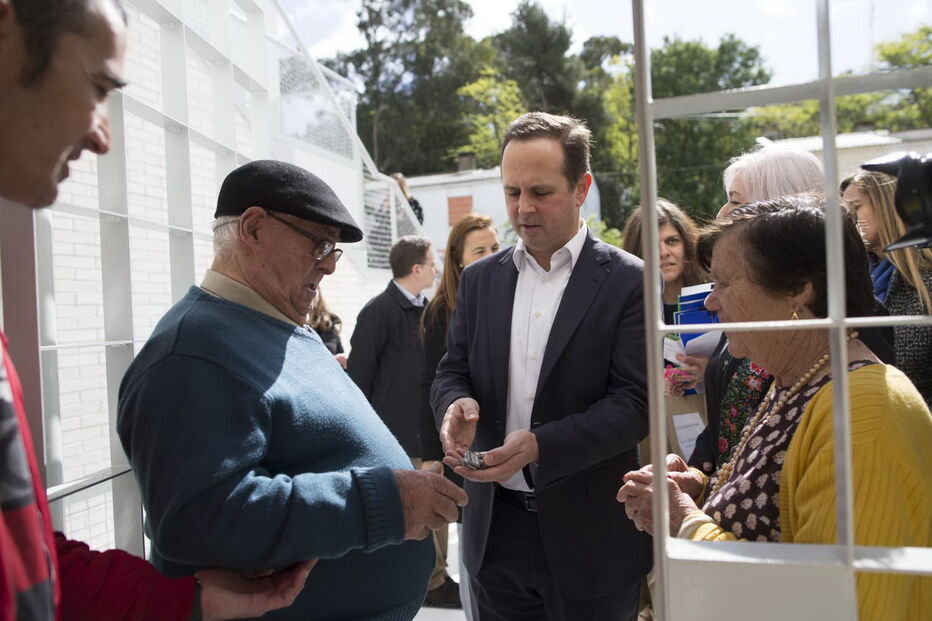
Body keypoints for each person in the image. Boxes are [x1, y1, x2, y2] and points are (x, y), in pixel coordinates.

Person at [0, 1, 313, 619]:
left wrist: (187, 603)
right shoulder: (186, 349)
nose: (102, 135)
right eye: (96, 87)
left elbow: (26, 560)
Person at [117, 161, 467, 620]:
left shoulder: (275, 325)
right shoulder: (191, 354)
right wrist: (385, 502)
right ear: (254, 228)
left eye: (334, 251)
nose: (328, 265)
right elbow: (196, 519)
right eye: (319, 244)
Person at [618, 195, 932, 621]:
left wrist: (684, 522)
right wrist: (701, 488)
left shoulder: (864, 413)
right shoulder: (800, 381)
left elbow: (842, 602)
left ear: (798, 290)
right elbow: (777, 517)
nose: (711, 303)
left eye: (726, 284)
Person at [431, 112, 651, 621]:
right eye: (512, 192)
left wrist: (541, 446)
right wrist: (454, 404)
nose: (522, 209)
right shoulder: (481, 280)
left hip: (590, 542)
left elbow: (635, 404)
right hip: (493, 537)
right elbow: (451, 370)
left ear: (582, 187)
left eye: (540, 191)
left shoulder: (628, 281)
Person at [687, 145, 895, 476]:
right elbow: (727, 417)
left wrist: (692, 519)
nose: (723, 213)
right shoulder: (751, 313)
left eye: (738, 202)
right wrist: (701, 469)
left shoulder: (856, 327)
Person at [346, 235, 460, 608]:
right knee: (414, 513)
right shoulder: (378, 312)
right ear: (416, 269)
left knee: (438, 504)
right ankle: (429, 583)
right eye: (431, 263)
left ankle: (438, 577)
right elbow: (359, 379)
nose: (435, 269)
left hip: (427, 431)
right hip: (395, 435)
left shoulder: (430, 309)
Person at [419, 213, 500, 617]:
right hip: (460, 445)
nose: (491, 256)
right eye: (479, 250)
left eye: (495, 247)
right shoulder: (440, 314)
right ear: (458, 260)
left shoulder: (510, 299)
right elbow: (430, 385)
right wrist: (433, 450)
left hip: (508, 445)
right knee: (474, 536)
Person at [841, 170, 932, 406]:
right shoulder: (856, 274)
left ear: (888, 206)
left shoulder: (925, 280)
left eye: (856, 207)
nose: (848, 218)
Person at [621, 199, 706, 326]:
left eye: (672, 241)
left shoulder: (713, 300)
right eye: (652, 245)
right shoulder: (626, 313)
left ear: (687, 245)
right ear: (637, 252)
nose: (663, 252)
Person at [308, 289, 346, 367]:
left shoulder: (329, 324)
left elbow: (340, 353)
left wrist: (339, 360)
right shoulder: (288, 325)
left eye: (313, 287)